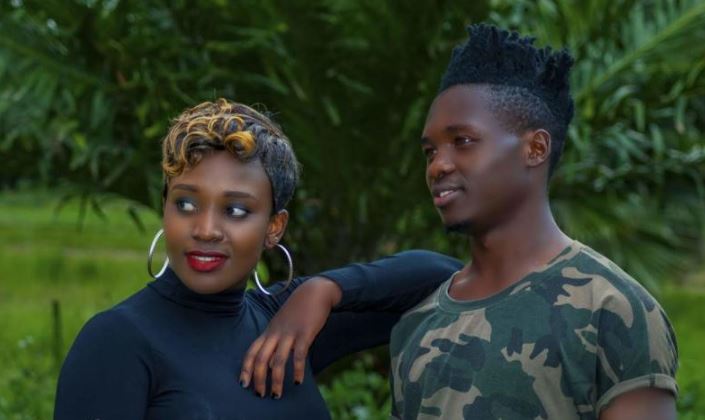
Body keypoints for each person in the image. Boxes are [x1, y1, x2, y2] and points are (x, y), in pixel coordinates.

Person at [247, 24, 679, 419]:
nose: (438, 166)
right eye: (430, 151)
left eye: (464, 141)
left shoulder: (612, 309)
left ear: (535, 149)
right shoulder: (419, 322)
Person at [54, 99, 462, 420]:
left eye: (235, 210)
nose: (206, 229)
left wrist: (325, 289)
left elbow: (444, 278)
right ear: (165, 209)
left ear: (274, 228)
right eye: (186, 204)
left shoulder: (286, 326)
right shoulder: (118, 341)